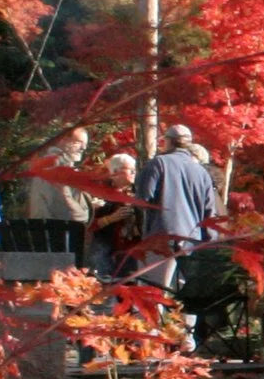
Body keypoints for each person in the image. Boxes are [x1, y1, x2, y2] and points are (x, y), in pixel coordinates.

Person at [134, 122, 217, 288]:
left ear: (168, 141)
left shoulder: (159, 163)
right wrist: (209, 243)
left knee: (152, 290)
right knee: (186, 296)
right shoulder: (202, 172)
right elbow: (210, 213)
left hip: (162, 236)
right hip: (192, 241)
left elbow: (142, 199)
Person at [23, 128, 93, 264]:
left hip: (44, 236)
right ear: (63, 140)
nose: (83, 148)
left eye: (86, 145)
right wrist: (84, 209)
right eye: (79, 142)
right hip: (58, 242)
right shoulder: (59, 168)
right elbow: (73, 214)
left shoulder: (46, 164)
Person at [88, 152, 141, 277]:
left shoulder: (138, 192)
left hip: (132, 251)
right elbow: (89, 224)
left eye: (135, 170)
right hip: (105, 250)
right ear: (115, 172)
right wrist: (112, 218)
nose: (134, 173)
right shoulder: (101, 193)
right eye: (130, 170)